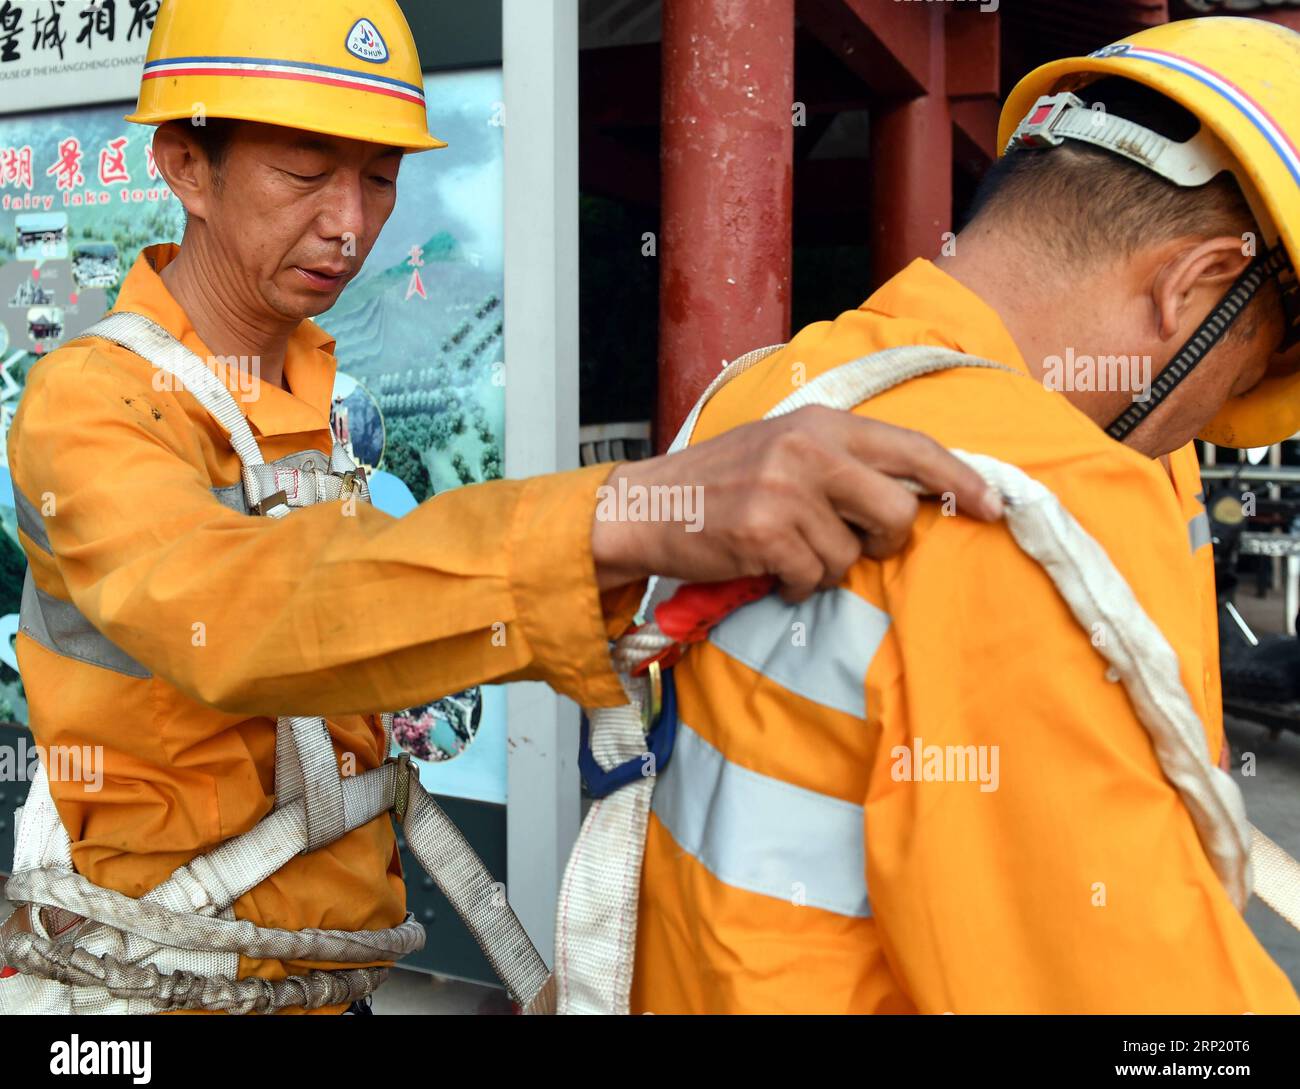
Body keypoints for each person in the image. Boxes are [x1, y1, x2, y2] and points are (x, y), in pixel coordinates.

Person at [0, 0, 998, 1014]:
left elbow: (357, 616)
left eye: (381, 179)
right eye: (305, 173)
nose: (350, 224)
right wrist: (623, 515)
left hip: (320, 976)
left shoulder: (319, 393)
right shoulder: (89, 400)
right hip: (145, 992)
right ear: (182, 167)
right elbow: (235, 610)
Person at [630, 16, 1300, 1014]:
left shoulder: (765, 392)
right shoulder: (1040, 496)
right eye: (1244, 371)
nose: (1208, 431)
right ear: (1192, 285)